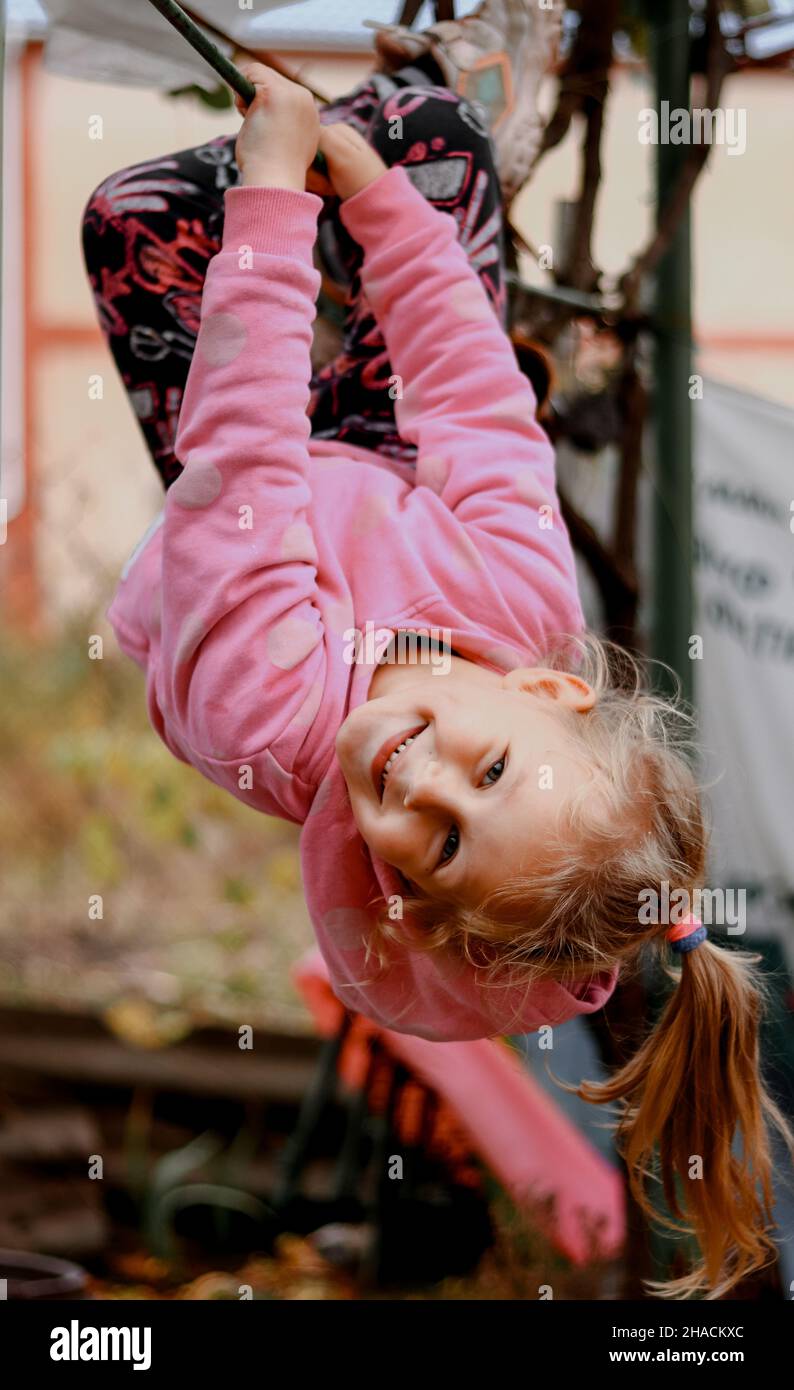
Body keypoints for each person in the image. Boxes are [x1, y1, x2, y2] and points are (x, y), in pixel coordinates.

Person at [82, 42, 791, 1298]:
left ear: (400, 889)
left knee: (130, 220)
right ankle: (387, 110)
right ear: (548, 689)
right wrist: (364, 188)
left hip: (236, 516)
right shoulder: (522, 609)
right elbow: (475, 399)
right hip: (373, 483)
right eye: (494, 771)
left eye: (440, 846)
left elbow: (241, 457)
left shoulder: (277, 717)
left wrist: (273, 194)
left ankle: (279, 166)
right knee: (429, 137)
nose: (419, 788)